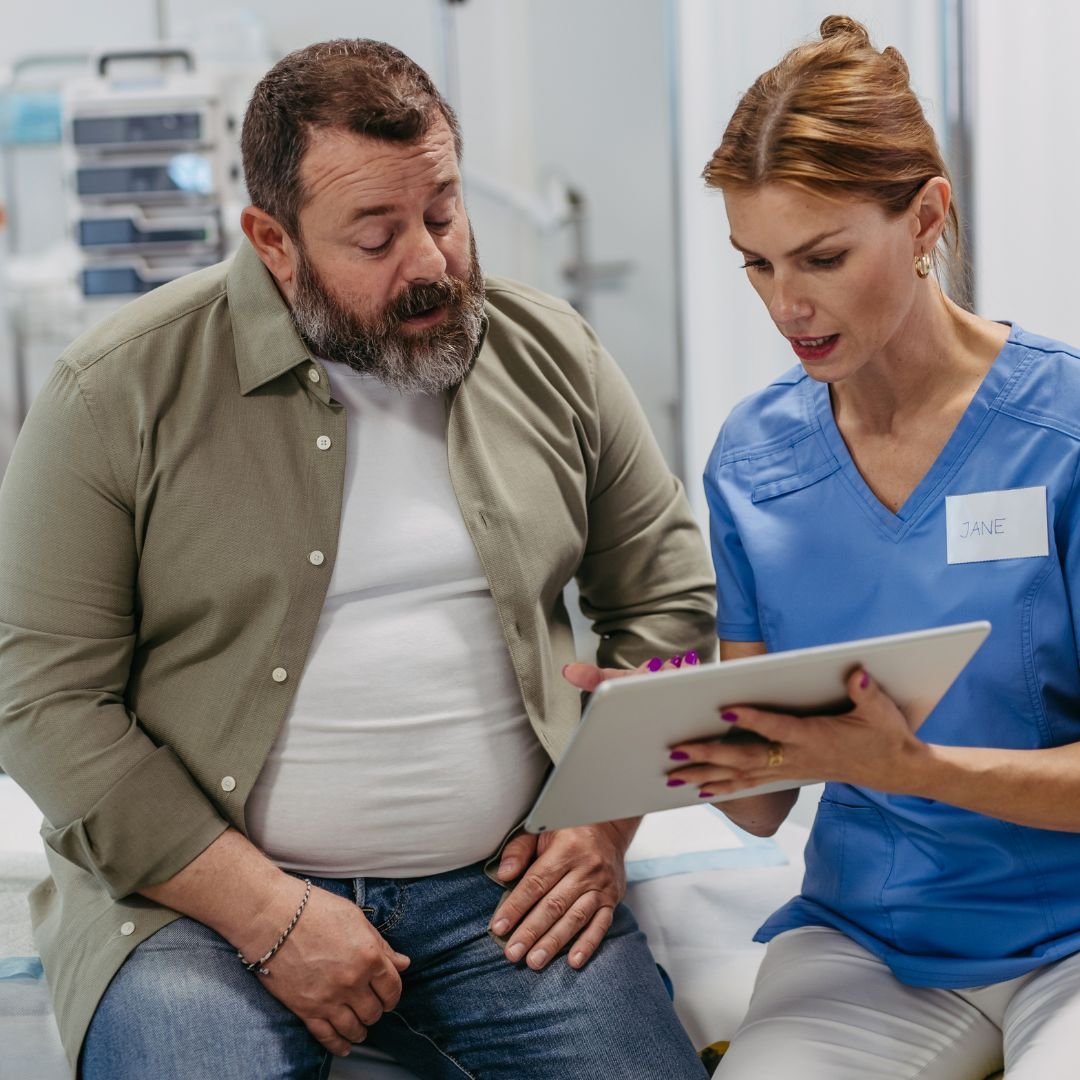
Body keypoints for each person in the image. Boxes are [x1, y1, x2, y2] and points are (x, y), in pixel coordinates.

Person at [0, 39, 716, 1080]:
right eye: (375, 236)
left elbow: (670, 609)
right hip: (198, 911)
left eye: (441, 212)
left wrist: (605, 820)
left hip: (503, 899)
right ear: (272, 241)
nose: (429, 261)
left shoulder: (553, 355)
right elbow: (39, 700)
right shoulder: (117, 393)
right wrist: (269, 912)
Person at [573, 13, 1080, 1079]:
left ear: (928, 215)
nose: (785, 305)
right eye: (754, 263)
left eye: (824, 257)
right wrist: (652, 706)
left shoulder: (1063, 433)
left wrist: (915, 770)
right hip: (866, 942)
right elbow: (759, 804)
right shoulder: (755, 460)